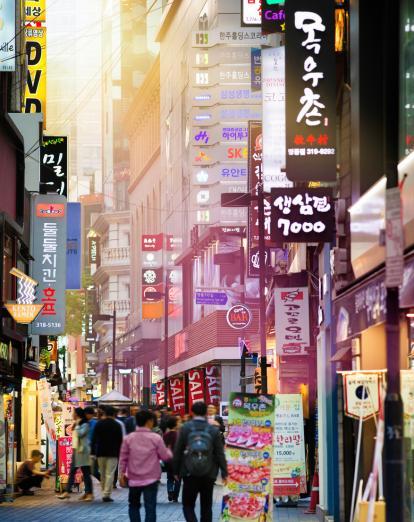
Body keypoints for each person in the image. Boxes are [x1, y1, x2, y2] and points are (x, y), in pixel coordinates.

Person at [173, 401, 228, 522]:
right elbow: (220, 453)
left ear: (192, 412)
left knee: (188, 505)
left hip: (189, 472)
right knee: (206, 506)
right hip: (209, 473)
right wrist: (224, 472)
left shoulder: (185, 428)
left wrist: (176, 471)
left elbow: (177, 451)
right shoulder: (213, 429)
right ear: (206, 413)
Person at [119, 410, 172, 522]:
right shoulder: (156, 438)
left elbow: (123, 459)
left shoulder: (128, 438)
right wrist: (169, 451)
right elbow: (165, 456)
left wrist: (121, 474)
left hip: (133, 479)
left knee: (133, 506)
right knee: (150, 507)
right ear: (149, 421)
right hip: (151, 479)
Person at [58, 407, 94, 501]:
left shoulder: (85, 424)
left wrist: (77, 425)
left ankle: (89, 494)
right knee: (73, 472)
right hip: (76, 451)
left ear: (77, 414)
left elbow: (81, 434)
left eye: (73, 413)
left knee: (86, 472)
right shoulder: (77, 424)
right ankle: (67, 492)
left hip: (83, 451)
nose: (72, 414)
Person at [91, 405, 123, 502]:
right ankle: (106, 494)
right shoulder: (117, 425)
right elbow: (120, 440)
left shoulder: (99, 424)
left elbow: (94, 439)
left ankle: (104, 491)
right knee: (110, 473)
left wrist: (93, 452)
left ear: (105, 413)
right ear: (114, 414)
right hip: (113, 453)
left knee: (103, 473)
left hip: (100, 452)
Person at [163, 416, 181, 502]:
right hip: (177, 460)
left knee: (169, 477)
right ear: (175, 424)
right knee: (178, 479)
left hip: (167, 459)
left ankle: (170, 491)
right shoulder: (178, 435)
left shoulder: (165, 435)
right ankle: (175, 496)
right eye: (178, 422)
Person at [84, 406, 100, 481]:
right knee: (87, 470)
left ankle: (103, 480)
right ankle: (88, 489)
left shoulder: (96, 423)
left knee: (93, 471)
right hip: (86, 449)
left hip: (93, 449)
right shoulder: (84, 423)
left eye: (85, 414)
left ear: (90, 414)